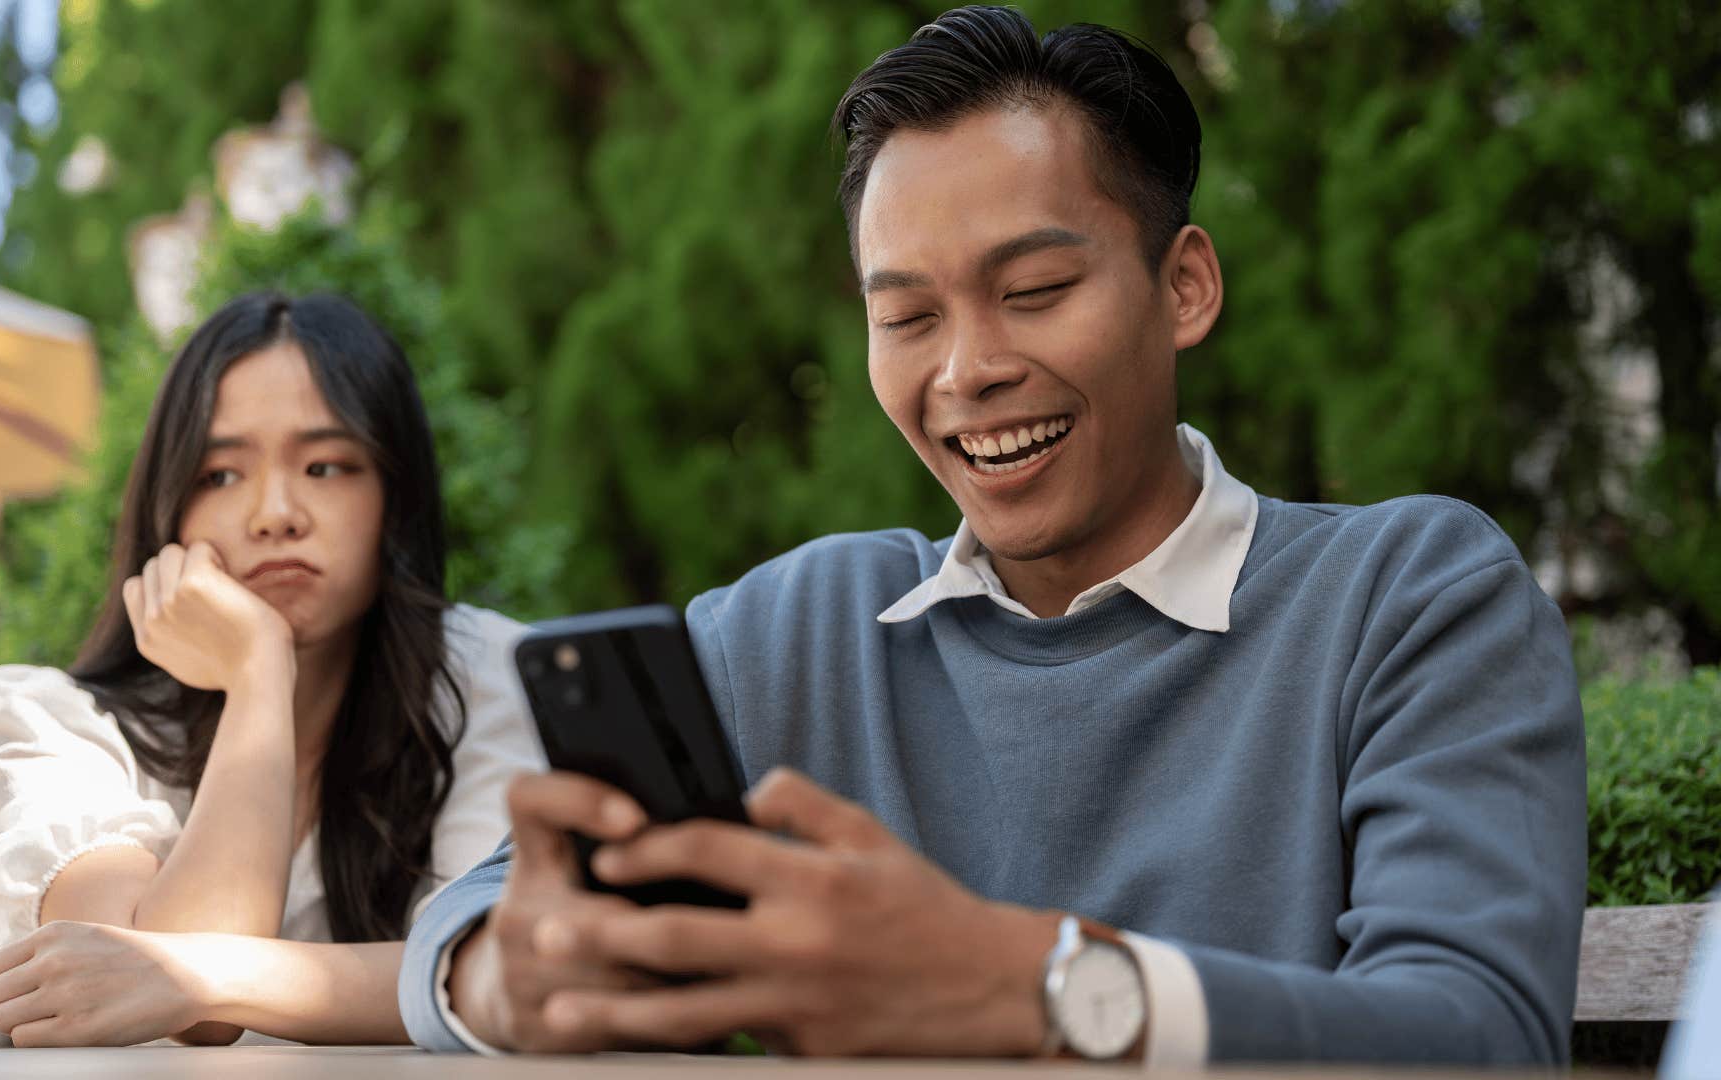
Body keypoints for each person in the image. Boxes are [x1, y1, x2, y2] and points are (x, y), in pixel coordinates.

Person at [400, 5, 1587, 1065]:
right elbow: (487, 911)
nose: (968, 371)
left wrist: (1030, 985)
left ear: (1185, 287)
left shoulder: (1408, 597)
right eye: (908, 315)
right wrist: (501, 972)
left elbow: (1475, 1032)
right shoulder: (795, 631)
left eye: (1033, 293)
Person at [0, 291, 543, 1047]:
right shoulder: (59, 724)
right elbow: (165, 1025)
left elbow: (505, 965)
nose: (275, 512)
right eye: (222, 476)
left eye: (327, 466)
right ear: (168, 512)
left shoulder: (487, 675)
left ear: (393, 501)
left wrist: (207, 974)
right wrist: (261, 677)